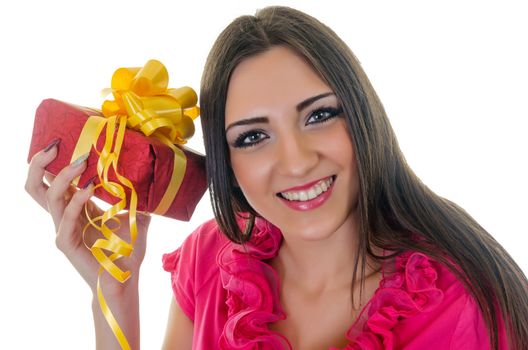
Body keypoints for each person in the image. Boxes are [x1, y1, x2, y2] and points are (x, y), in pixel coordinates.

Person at [25, 6, 527, 350]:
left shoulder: (460, 303)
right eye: (251, 137)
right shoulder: (210, 262)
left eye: (318, 116)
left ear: (363, 116)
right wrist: (114, 294)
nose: (295, 161)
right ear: (227, 162)